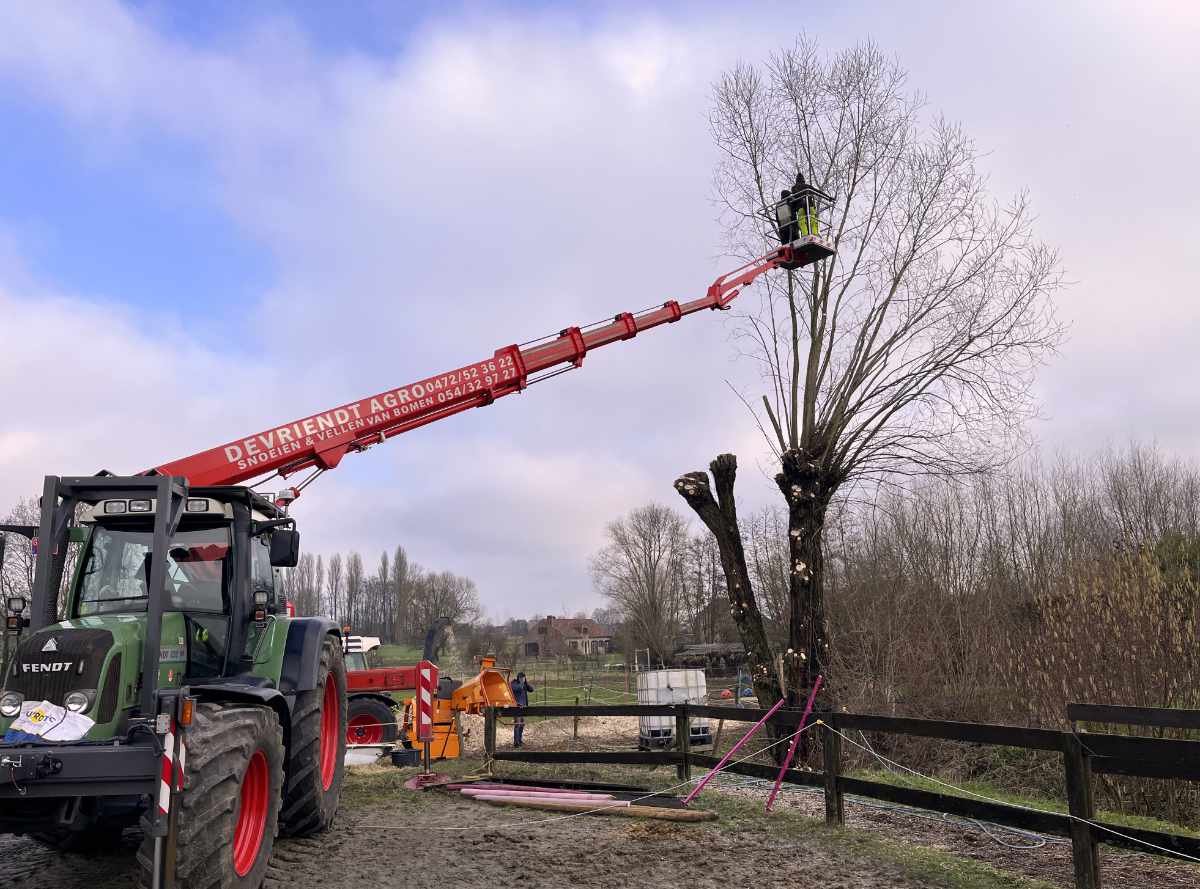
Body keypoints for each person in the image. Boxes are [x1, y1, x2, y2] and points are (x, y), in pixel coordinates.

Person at [511, 671, 535, 747]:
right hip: (516, 706)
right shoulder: (514, 683)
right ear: (518, 677)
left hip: (523, 707)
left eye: (524, 678)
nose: (522, 679)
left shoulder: (524, 684)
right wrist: (522, 683)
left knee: (522, 724)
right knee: (517, 724)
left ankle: (519, 740)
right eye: (521, 678)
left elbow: (531, 689)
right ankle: (516, 743)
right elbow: (516, 689)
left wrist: (526, 683)